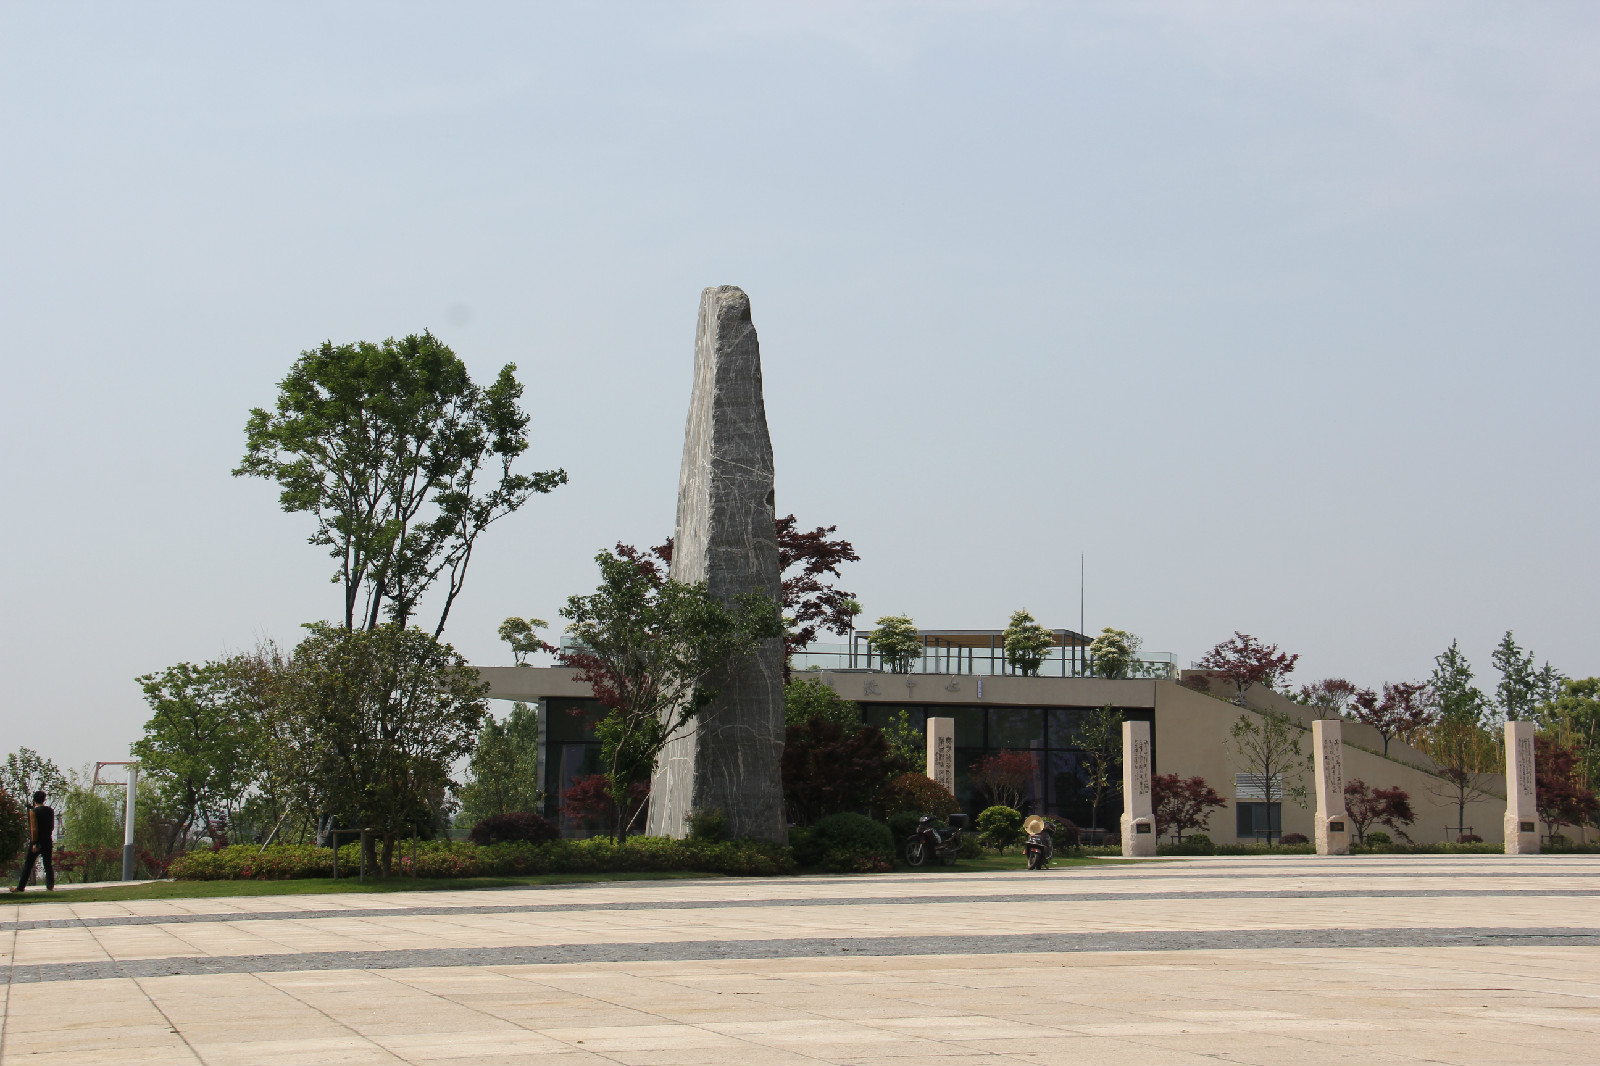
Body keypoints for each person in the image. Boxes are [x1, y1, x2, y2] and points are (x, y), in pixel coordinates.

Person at [12, 790, 55, 892]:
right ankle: (50, 886)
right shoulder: (50, 811)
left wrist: (35, 843)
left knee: (28, 864)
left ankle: (21, 887)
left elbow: (34, 829)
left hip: (37, 841)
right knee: (48, 864)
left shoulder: (33, 812)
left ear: (34, 801)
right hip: (47, 840)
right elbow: (52, 826)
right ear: (44, 799)